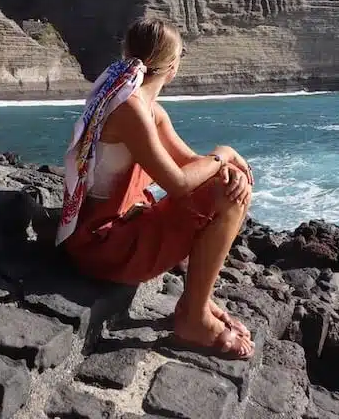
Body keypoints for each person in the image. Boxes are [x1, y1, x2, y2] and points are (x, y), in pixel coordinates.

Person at [57, 18, 255, 360]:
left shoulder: (142, 106)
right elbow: (179, 184)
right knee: (231, 198)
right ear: (174, 67)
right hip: (104, 243)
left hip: (116, 227)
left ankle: (199, 300)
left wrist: (225, 166)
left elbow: (194, 164)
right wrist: (223, 154)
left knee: (227, 184)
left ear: (127, 53)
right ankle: (193, 319)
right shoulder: (131, 110)